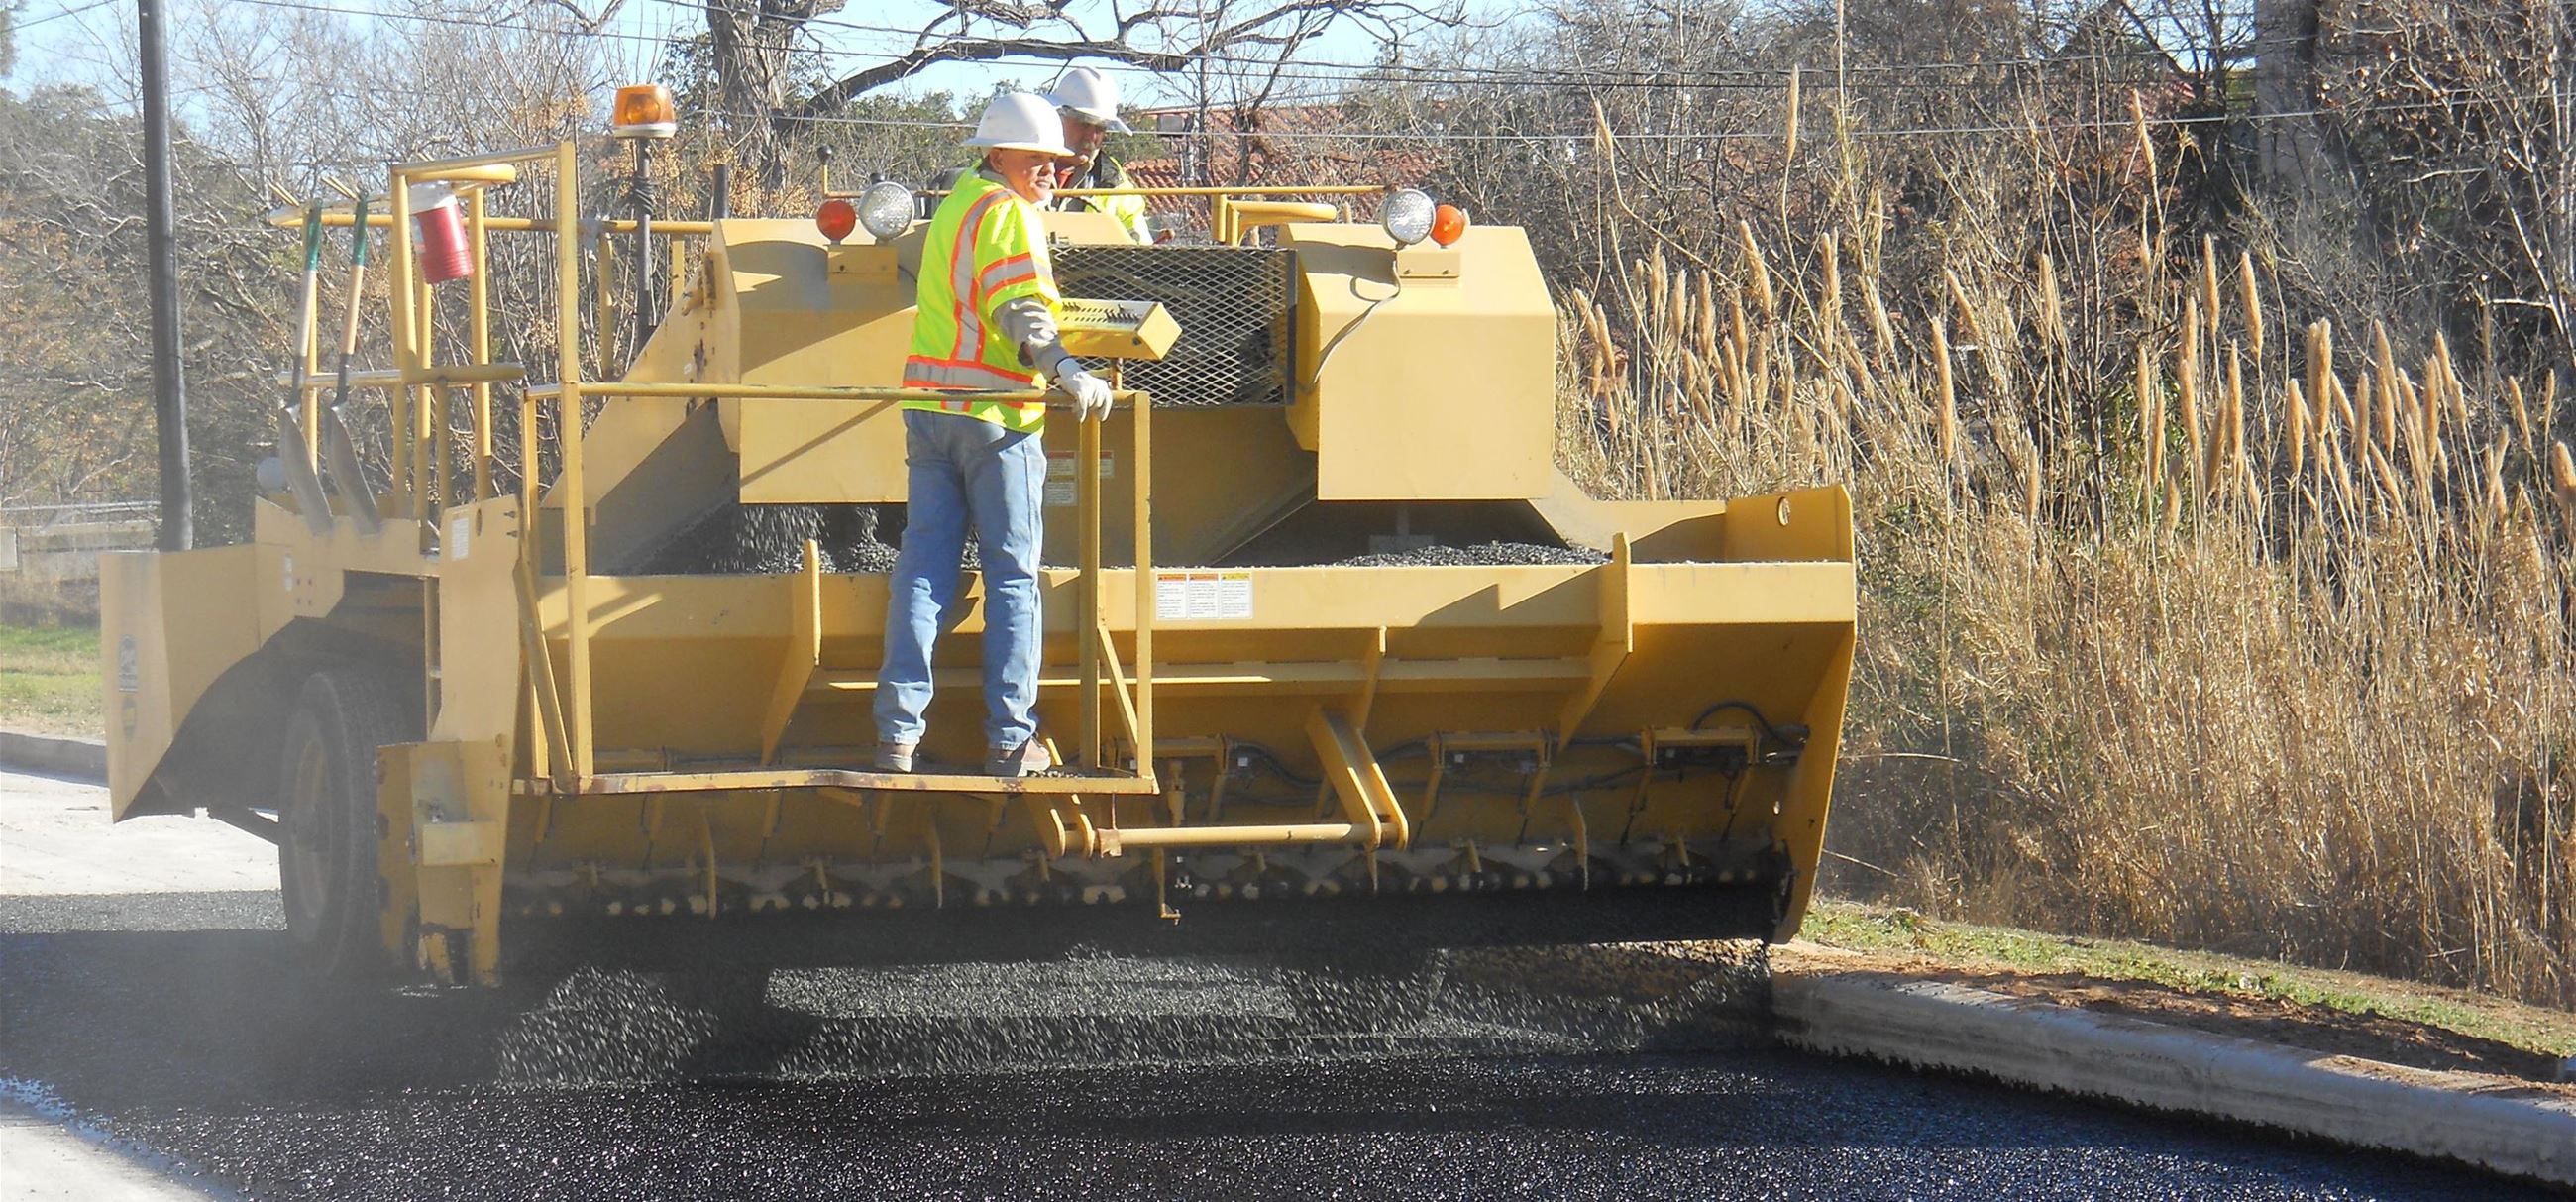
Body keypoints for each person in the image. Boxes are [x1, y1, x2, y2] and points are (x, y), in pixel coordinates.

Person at [876, 92, 1117, 778]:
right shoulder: (1009, 213)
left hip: (931, 413)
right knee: (1013, 577)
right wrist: (1067, 369)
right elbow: (1019, 307)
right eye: (1035, 158)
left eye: (1055, 160)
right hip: (997, 418)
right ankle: (1012, 739)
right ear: (997, 154)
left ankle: (896, 734)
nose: (1050, 171)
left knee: (924, 569)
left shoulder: (957, 205)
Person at [1044, 66, 1152, 244]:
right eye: (1083, 123)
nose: (1091, 136)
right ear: (1058, 117)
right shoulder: (1020, 167)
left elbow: (1140, 244)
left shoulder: (1112, 179)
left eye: (1100, 127)